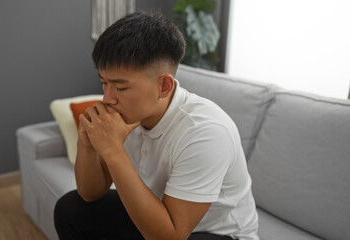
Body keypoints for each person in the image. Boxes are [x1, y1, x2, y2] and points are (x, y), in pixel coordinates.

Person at [54, 11, 259, 240]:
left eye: (121, 88)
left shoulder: (206, 131)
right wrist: (87, 145)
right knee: (70, 210)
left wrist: (113, 149)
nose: (107, 99)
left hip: (216, 233)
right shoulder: (125, 114)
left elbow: (169, 236)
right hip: (160, 214)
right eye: (104, 83)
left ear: (164, 86)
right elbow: (90, 194)